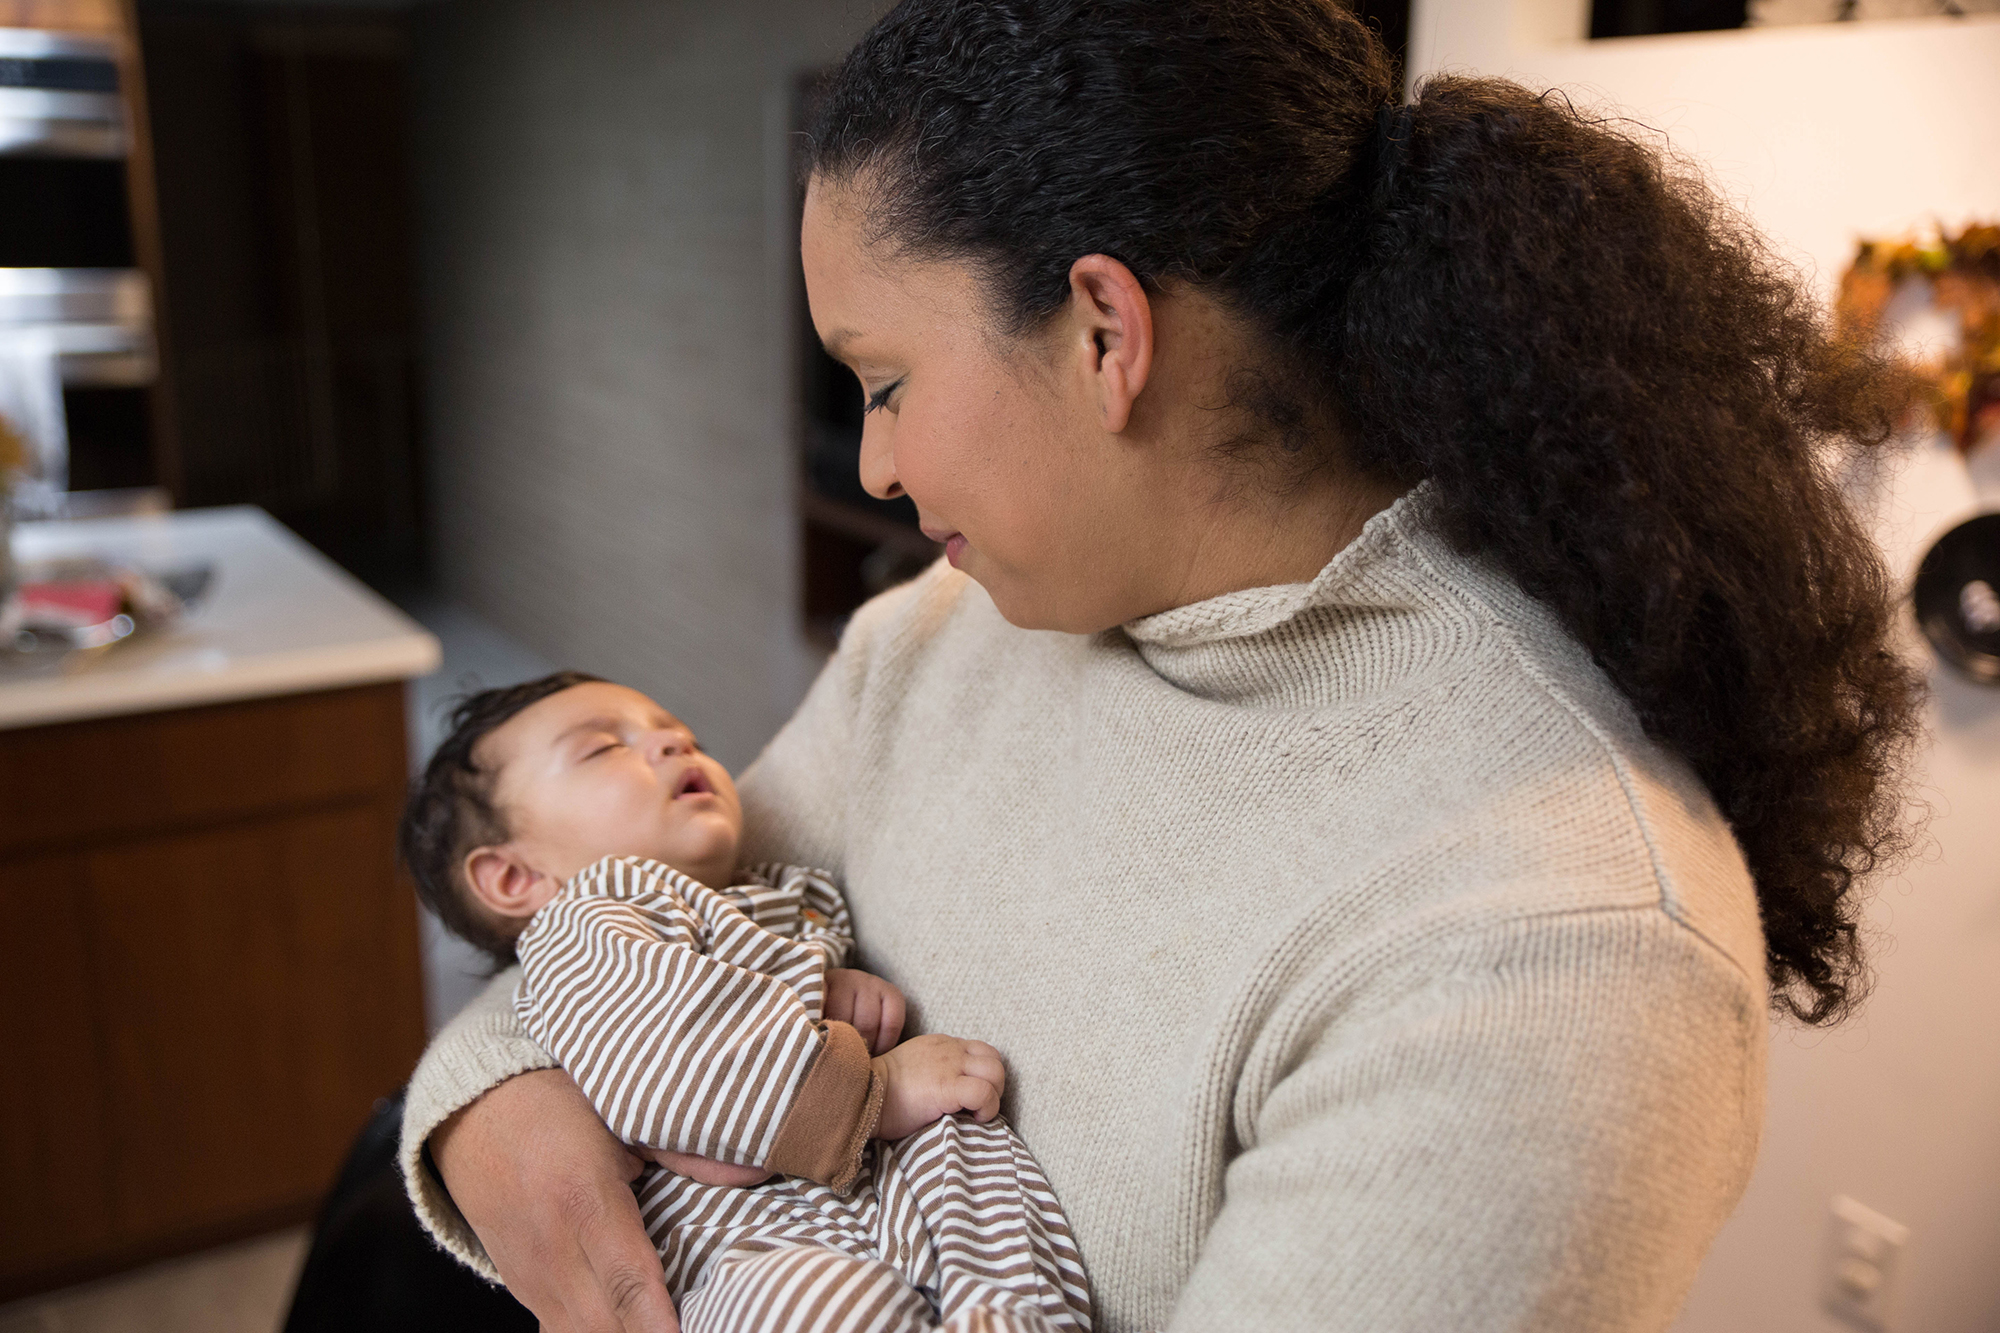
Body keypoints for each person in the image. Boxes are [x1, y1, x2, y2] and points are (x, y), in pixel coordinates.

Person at [399, 3, 1923, 1330]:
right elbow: (605, 918)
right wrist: (495, 1107)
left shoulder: (1553, 942)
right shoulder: (935, 638)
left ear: (1102, 333)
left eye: (884, 382)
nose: (870, 462)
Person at [396, 672, 1092, 1332]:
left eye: (679, 732)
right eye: (604, 747)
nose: (674, 742)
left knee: (977, 1168)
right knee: (822, 1300)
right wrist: (877, 1089)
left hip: (875, 1203)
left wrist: (812, 986)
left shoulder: (777, 890)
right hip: (746, 1247)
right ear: (516, 876)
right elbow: (675, 1063)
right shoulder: (589, 921)